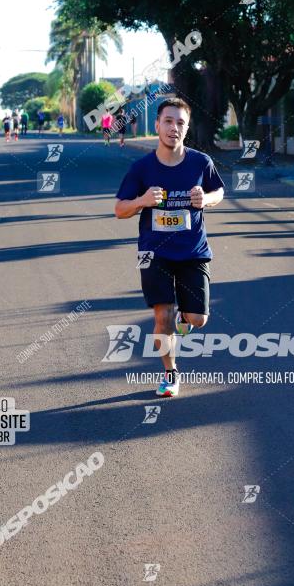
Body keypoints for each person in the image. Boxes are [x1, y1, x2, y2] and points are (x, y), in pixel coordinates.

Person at [114, 99, 225, 398]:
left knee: (198, 319)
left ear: (186, 128)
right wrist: (141, 201)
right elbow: (120, 209)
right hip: (154, 253)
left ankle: (183, 320)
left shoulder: (201, 162)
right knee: (162, 317)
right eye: (168, 121)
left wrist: (207, 199)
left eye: (180, 123)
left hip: (193, 251)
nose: (173, 128)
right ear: (157, 125)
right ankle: (170, 373)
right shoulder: (141, 168)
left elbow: (219, 191)